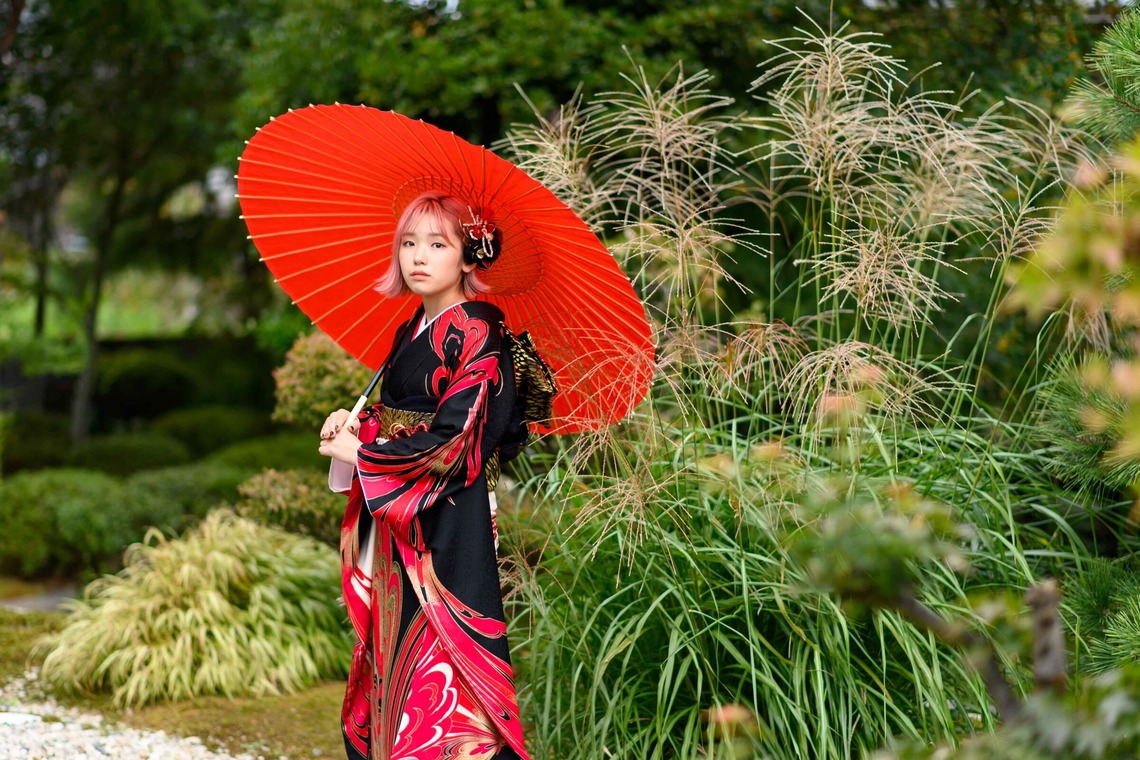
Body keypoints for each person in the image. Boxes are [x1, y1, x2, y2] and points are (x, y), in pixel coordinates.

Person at [318, 191, 530, 760]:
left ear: (469, 257)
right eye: (409, 243)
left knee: (445, 658)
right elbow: (397, 420)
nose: (418, 256)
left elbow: (459, 437)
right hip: (402, 514)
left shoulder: (481, 331)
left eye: (438, 244)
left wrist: (365, 457)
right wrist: (354, 431)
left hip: (448, 516)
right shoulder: (412, 327)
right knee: (397, 652)